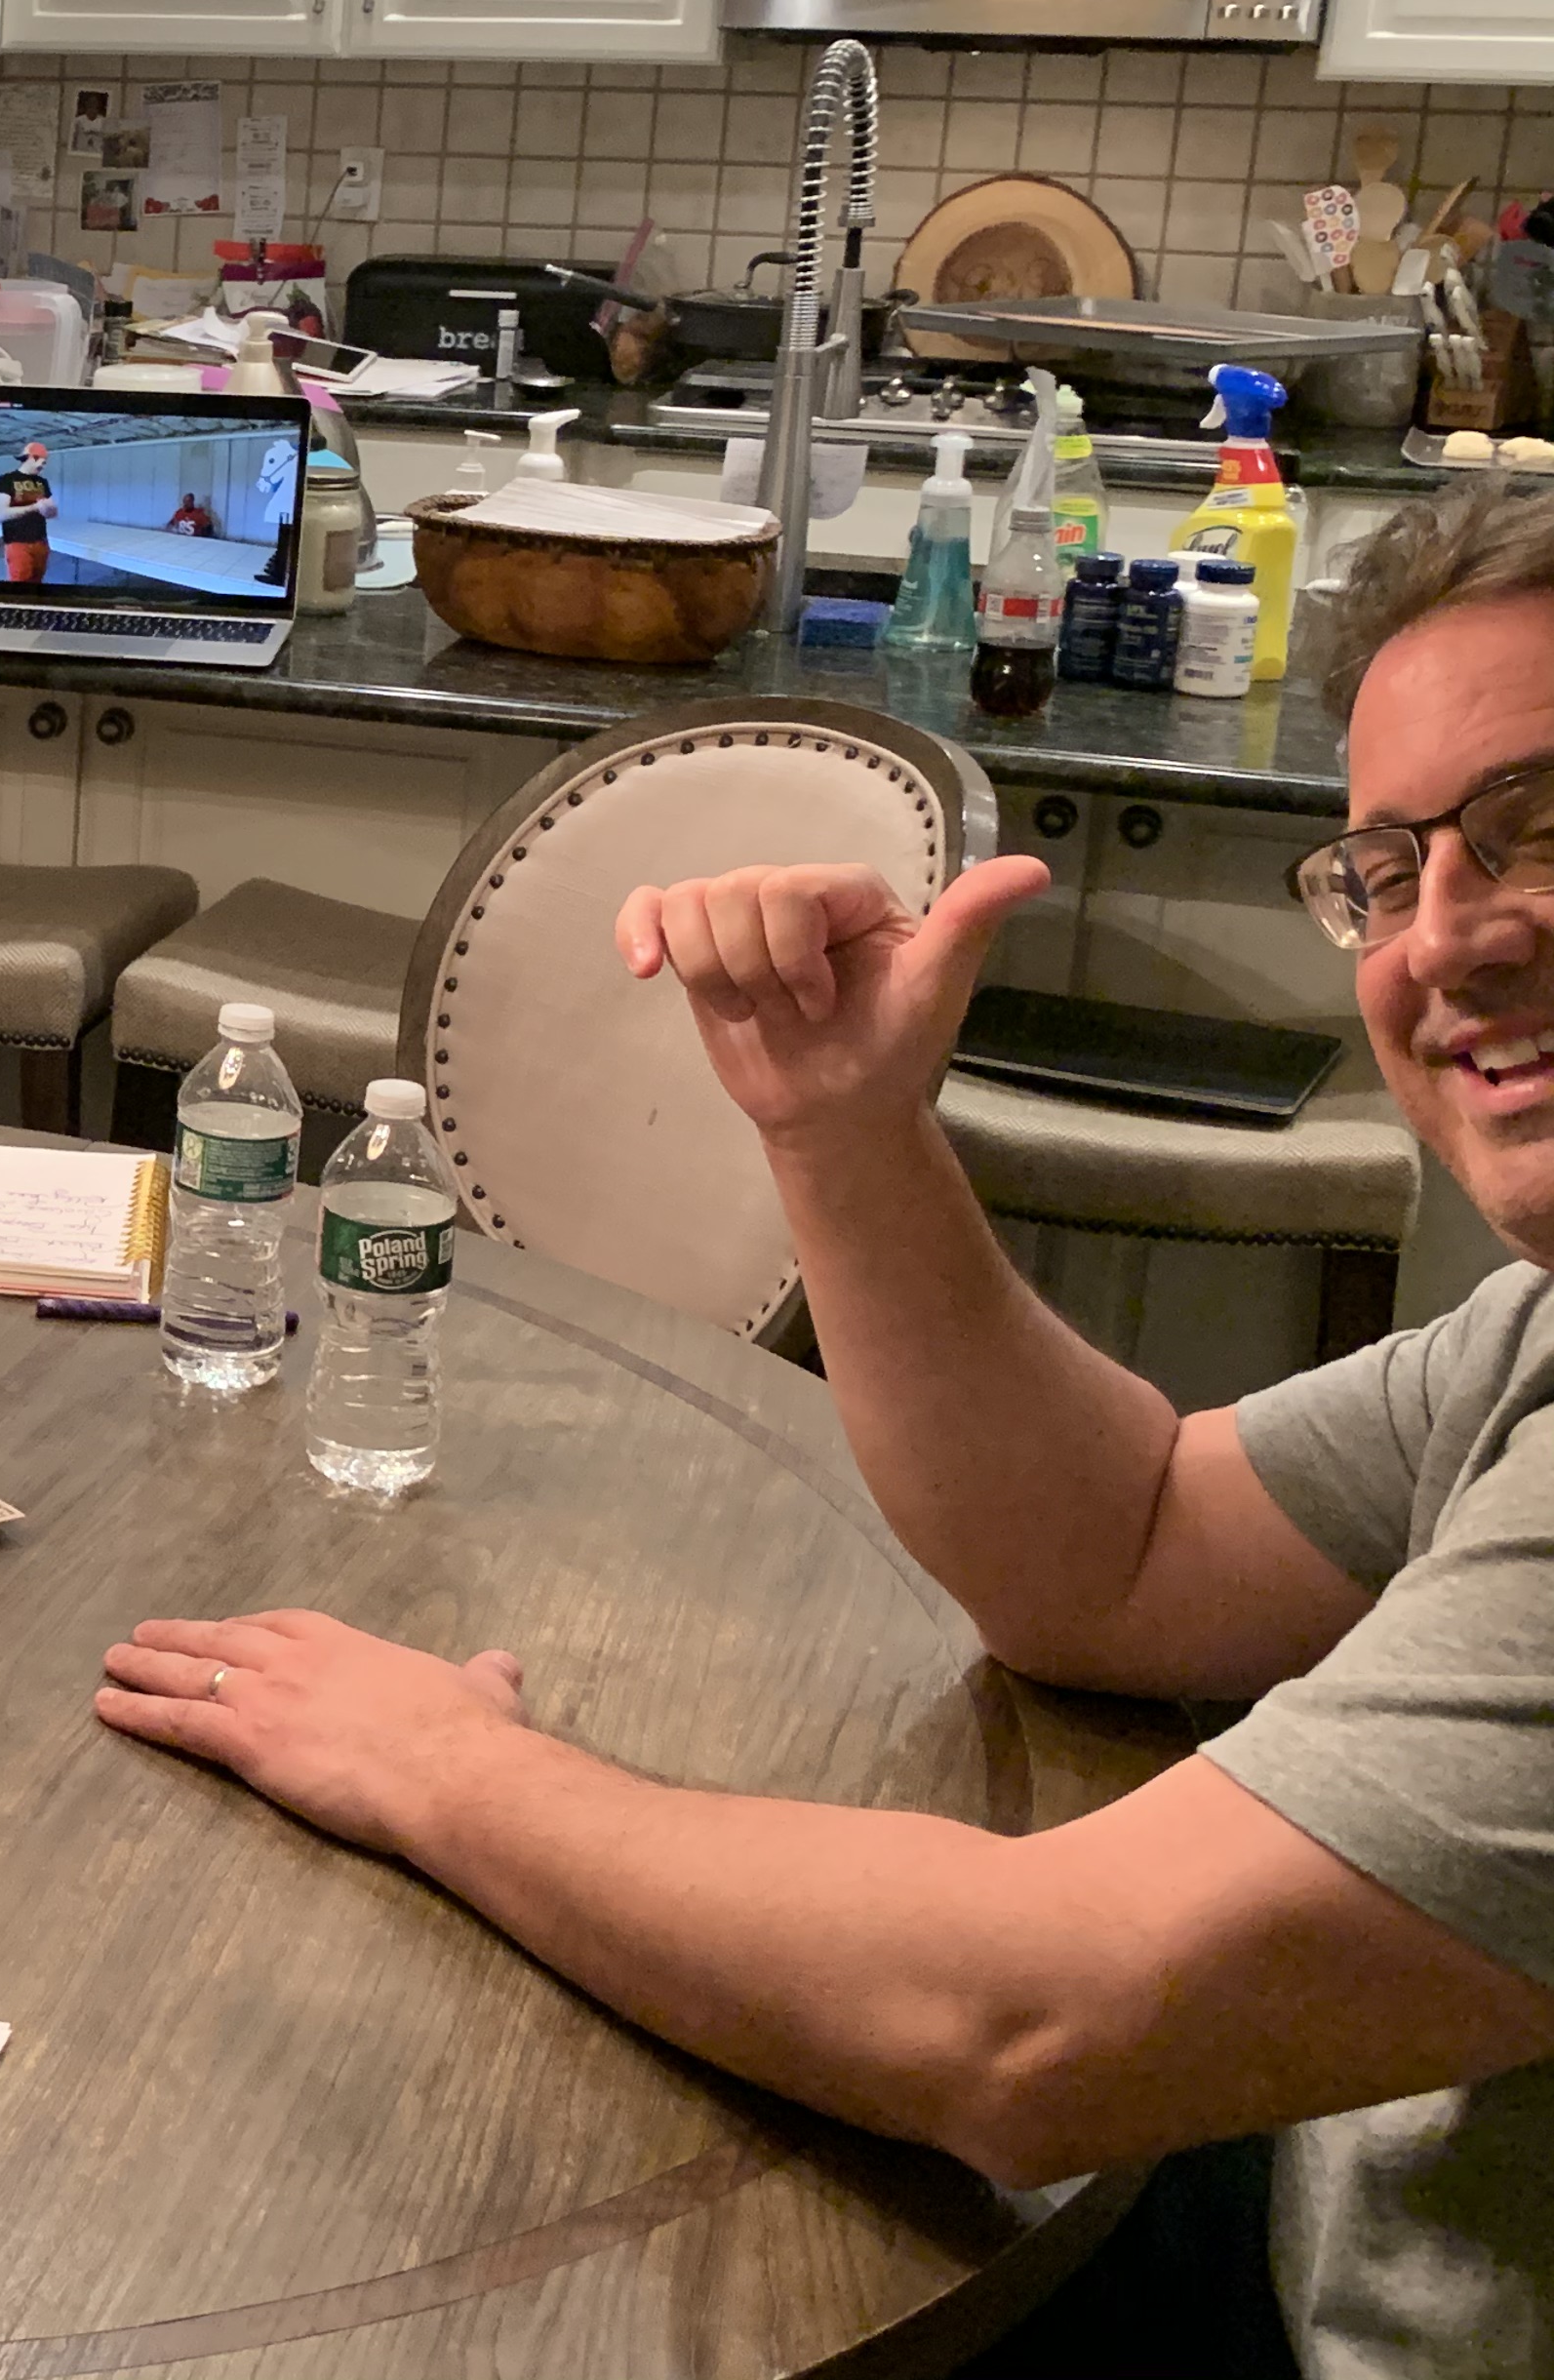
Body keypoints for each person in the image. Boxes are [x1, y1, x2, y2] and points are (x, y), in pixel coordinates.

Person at [95, 478, 1554, 2377]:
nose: (1443, 940)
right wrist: (844, 1124)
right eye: (1387, 868)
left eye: (1533, 828)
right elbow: (1114, 1553)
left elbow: (1026, 2027)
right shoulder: (1524, 1339)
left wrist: (443, 1765)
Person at [0, 442, 57, 583]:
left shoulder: (42, 482)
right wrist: (35, 507)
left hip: (41, 542)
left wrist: (50, 510)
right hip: (17, 543)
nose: (43, 466)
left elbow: (52, 513)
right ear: (32, 458)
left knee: (37, 583)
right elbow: (1, 514)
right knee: (20, 586)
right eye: (42, 462)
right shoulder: (7, 480)